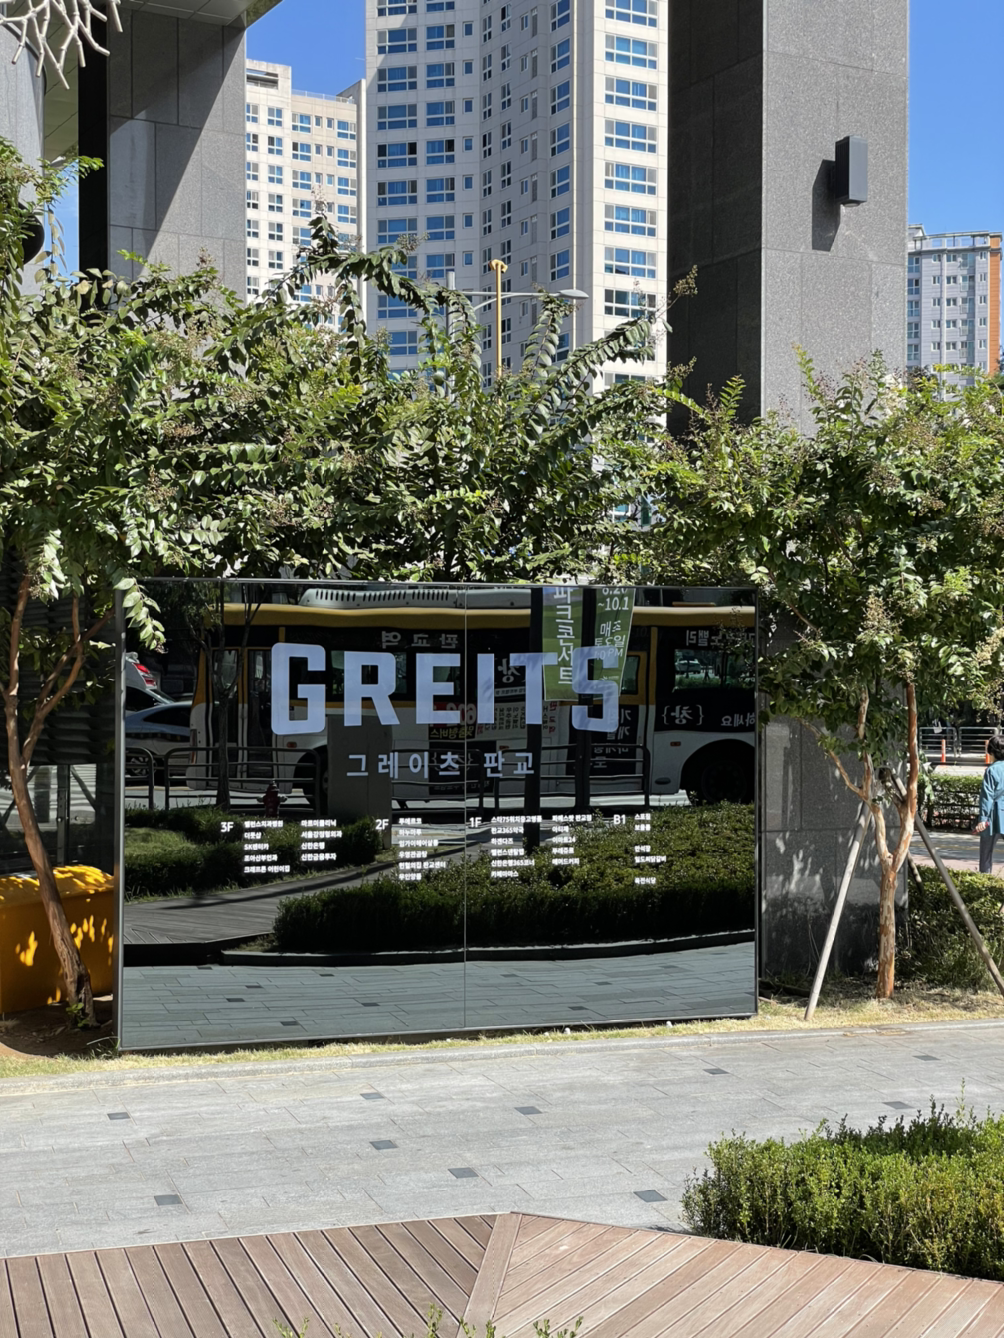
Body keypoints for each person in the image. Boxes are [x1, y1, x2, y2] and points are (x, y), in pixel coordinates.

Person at [973, 735, 1004, 872]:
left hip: (993, 816)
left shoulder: (992, 770)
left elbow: (987, 797)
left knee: (986, 853)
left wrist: (983, 819)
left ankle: (985, 880)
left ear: (992, 751)